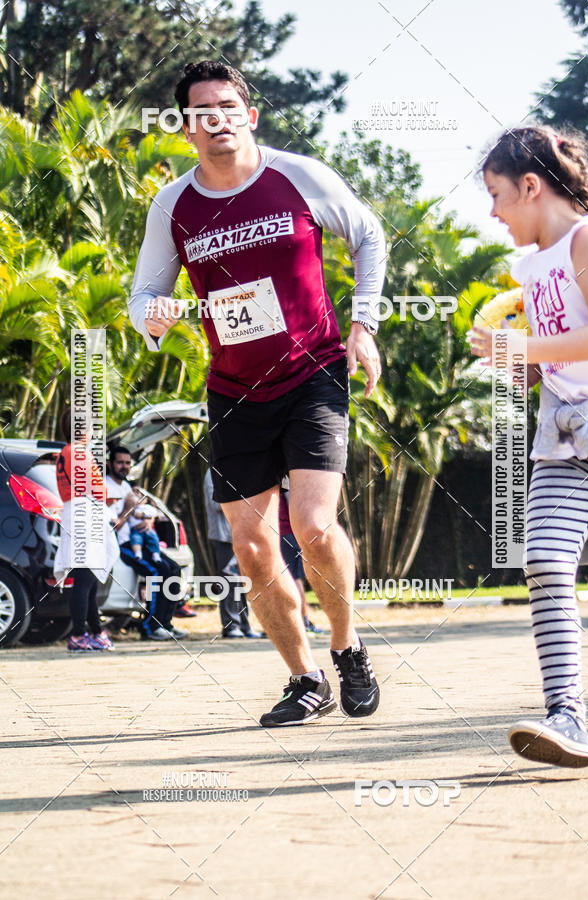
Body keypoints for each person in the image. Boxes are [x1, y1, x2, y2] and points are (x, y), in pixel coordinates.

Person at [129, 60, 385, 726]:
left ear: (249, 115)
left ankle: (347, 646)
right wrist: (149, 316)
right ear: (187, 128)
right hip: (235, 389)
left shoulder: (296, 176)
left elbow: (368, 234)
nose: (216, 120)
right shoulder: (174, 205)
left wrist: (365, 325)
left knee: (314, 523)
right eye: (201, 112)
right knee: (249, 546)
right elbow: (145, 293)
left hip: (314, 373)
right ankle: (305, 680)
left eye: (226, 106)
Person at [471, 125, 588, 767]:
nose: (492, 212)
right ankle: (567, 718)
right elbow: (560, 350)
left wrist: (522, 348)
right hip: (564, 433)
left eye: (496, 195)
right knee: (545, 562)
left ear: (530, 185)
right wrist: (522, 365)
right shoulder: (530, 266)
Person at [106, 445, 187, 641]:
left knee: (174, 570)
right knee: (158, 572)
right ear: (110, 464)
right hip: (124, 544)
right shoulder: (105, 487)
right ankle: (151, 626)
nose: (124, 467)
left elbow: (138, 513)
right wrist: (128, 508)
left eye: (127, 463)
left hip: (142, 542)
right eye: (120, 463)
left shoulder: (126, 487)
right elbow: (113, 525)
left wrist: (148, 520)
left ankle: (166, 624)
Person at [54, 408, 118, 652]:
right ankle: (80, 635)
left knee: (87, 581)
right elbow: (95, 489)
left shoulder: (65, 452)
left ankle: (95, 632)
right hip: (85, 516)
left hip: (74, 514)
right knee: (84, 581)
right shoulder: (79, 453)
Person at [203, 468, 259, 638]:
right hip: (223, 536)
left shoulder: (233, 468)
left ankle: (244, 624)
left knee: (241, 581)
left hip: (240, 535)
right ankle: (230, 626)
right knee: (228, 580)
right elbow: (215, 503)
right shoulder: (213, 472)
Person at [279, 486, 323, 635]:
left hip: (287, 532)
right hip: (280, 533)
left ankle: (302, 620)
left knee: (293, 578)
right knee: (290, 578)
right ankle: (295, 621)